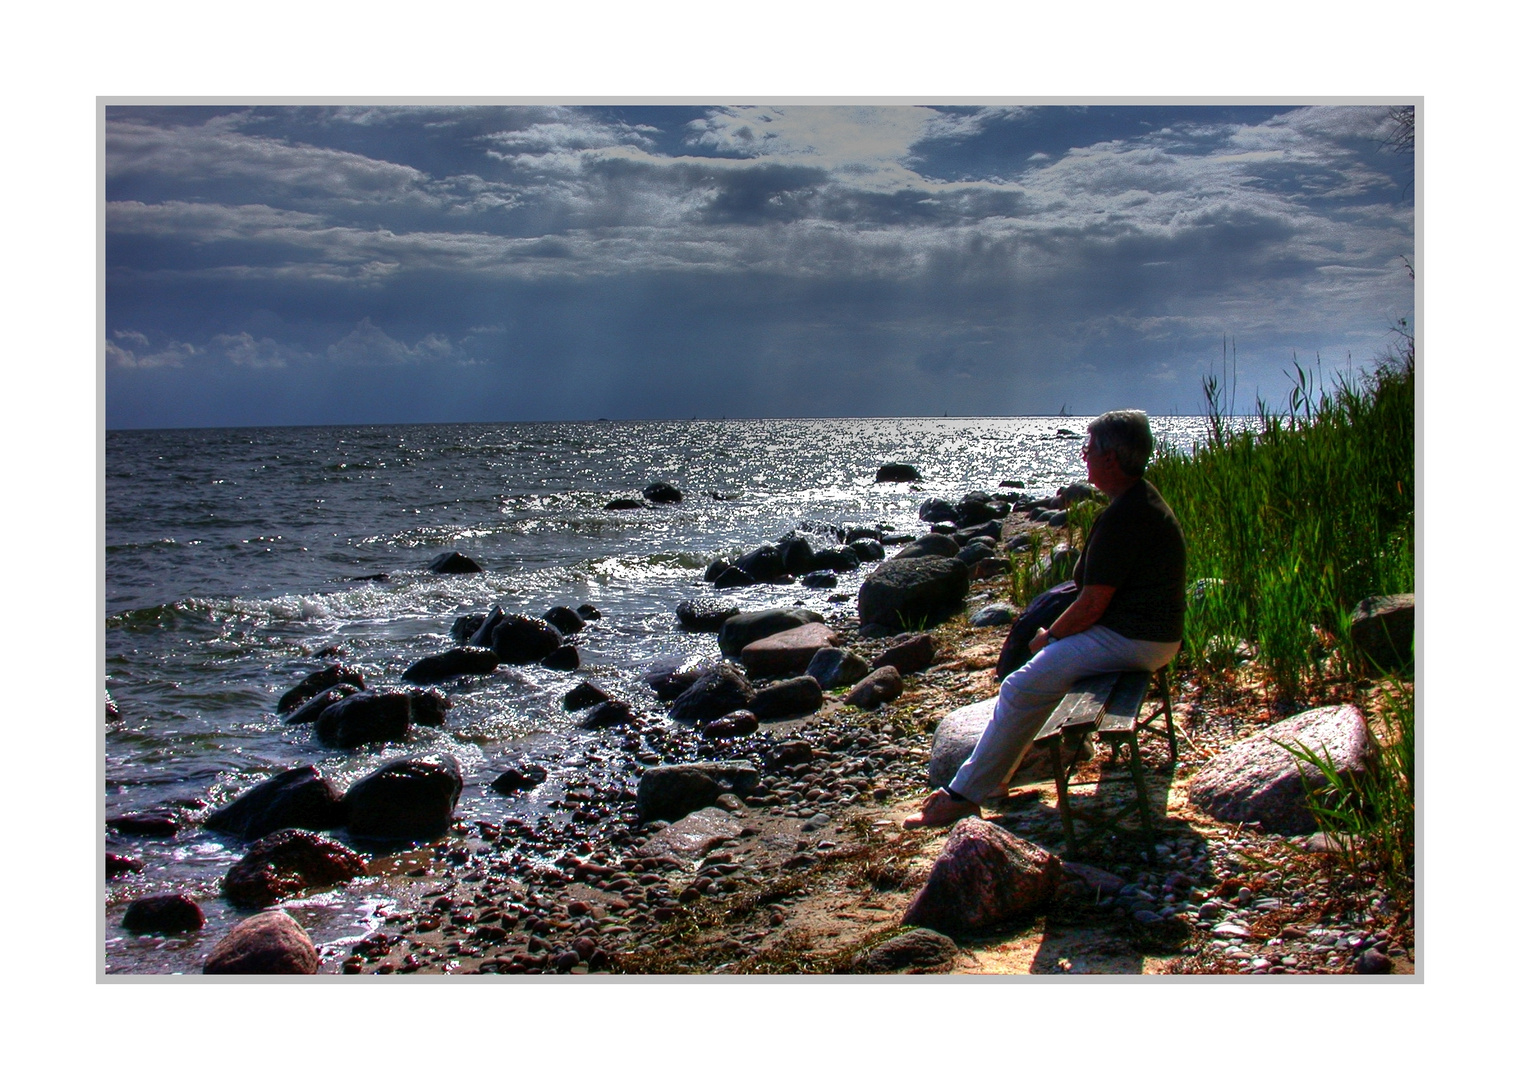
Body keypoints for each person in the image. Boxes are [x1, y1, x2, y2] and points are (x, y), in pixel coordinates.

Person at [905, 409, 1186, 828]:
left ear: (1110, 458)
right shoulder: (1138, 500)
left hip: (1136, 639)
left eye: (1088, 449)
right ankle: (990, 778)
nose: (1083, 456)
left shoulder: (1125, 517)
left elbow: (1093, 604)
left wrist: (1050, 637)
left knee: (1021, 685)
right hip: (1149, 634)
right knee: (1036, 680)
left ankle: (965, 794)